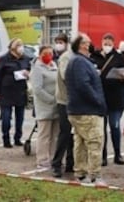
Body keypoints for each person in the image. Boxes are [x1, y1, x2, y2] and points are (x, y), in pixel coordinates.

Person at [66, 33, 107, 185]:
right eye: (88, 42)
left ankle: (81, 173)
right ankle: (95, 175)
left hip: (78, 110)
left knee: (81, 142)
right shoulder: (80, 62)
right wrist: (98, 101)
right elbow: (83, 85)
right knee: (94, 142)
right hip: (87, 110)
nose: (91, 45)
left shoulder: (77, 61)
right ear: (82, 45)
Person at [0, 38, 31, 149]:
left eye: (22, 44)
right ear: (12, 47)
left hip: (20, 90)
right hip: (6, 91)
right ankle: (6, 138)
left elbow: (30, 70)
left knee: (20, 118)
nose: (21, 47)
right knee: (6, 117)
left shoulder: (26, 59)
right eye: (18, 45)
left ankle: (18, 138)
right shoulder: (4, 59)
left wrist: (28, 73)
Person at [98, 33, 124, 166]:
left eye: (109, 44)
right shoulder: (96, 56)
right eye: (105, 43)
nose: (107, 46)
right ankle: (103, 155)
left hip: (115, 97)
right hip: (99, 97)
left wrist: (123, 77)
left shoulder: (119, 57)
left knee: (114, 127)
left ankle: (118, 154)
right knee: (101, 129)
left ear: (114, 44)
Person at [51, 33, 76, 178]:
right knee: (65, 133)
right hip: (64, 101)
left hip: (73, 101)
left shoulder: (75, 57)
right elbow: (67, 77)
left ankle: (70, 163)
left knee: (72, 134)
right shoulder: (66, 57)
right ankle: (57, 164)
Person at [32, 45, 59, 169]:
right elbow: (37, 89)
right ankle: (42, 160)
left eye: (51, 53)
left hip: (56, 106)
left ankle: (54, 157)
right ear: (40, 54)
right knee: (44, 135)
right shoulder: (37, 68)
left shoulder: (54, 66)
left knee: (54, 135)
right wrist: (51, 99)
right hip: (44, 107)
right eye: (46, 53)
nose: (49, 55)